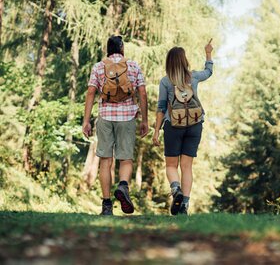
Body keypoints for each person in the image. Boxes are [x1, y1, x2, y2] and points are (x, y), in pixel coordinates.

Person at [82, 35, 149, 216]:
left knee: (106, 161)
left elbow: (90, 92)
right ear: (122, 49)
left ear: (107, 49)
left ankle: (106, 205)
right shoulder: (133, 65)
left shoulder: (98, 66)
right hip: (127, 117)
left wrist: (86, 121)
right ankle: (123, 185)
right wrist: (145, 120)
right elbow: (142, 93)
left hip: (105, 116)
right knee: (125, 158)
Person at [153, 39, 214, 215]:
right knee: (187, 166)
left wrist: (156, 131)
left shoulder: (165, 81)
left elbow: (161, 107)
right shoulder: (193, 77)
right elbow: (209, 72)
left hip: (173, 125)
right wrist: (208, 53)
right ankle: (185, 205)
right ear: (184, 60)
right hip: (194, 125)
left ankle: (176, 189)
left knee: (171, 165)